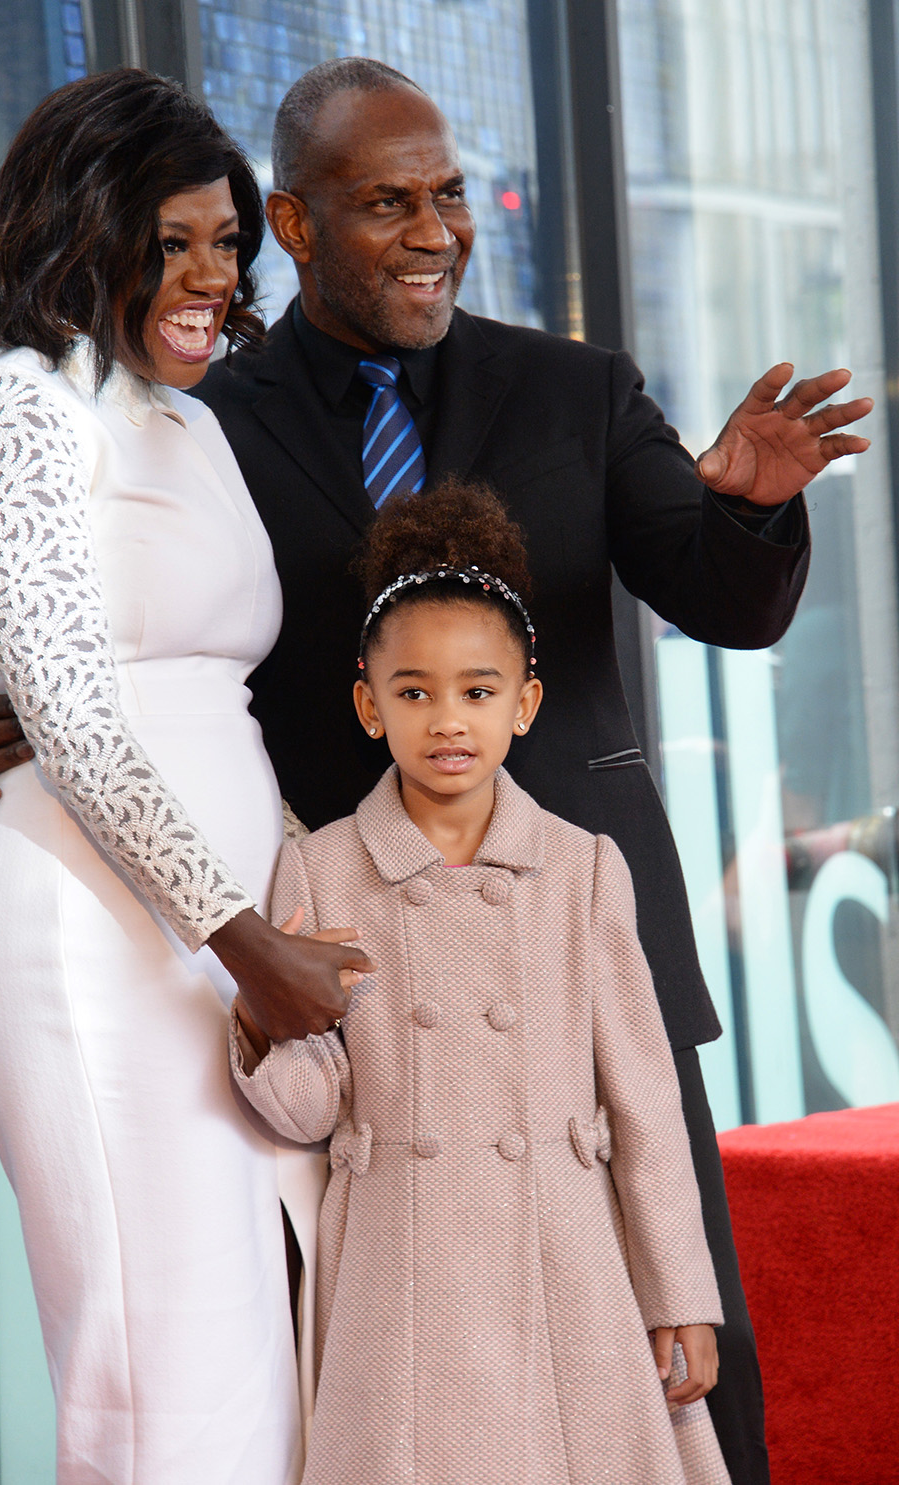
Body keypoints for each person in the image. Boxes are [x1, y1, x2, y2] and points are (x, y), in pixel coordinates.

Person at [0, 58, 873, 1484]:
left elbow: (726, 603)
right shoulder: (205, 412)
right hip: (346, 979)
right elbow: (111, 641)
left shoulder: (576, 389)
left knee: (668, 1365)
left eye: (449, 197)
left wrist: (749, 512)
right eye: (389, 203)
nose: (437, 230)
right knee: (385, 1377)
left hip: (575, 944)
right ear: (302, 228)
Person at [0, 68, 369, 1485]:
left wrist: (297, 918)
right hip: (91, 948)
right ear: (79, 230)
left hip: (228, 957)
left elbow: (216, 712)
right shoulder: (18, 410)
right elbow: (77, 724)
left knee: (264, 1379)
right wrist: (249, 947)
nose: (207, 272)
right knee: (163, 1390)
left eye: (225, 240)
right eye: (168, 239)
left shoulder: (189, 423)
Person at [232, 477, 731, 1485]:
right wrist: (261, 1014)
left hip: (566, 1252)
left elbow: (642, 1101)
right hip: (396, 1265)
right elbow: (306, 1110)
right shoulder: (322, 868)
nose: (446, 720)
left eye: (476, 691)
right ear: (369, 707)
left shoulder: (583, 867)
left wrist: (678, 1288)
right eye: (413, 692)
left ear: (523, 704)